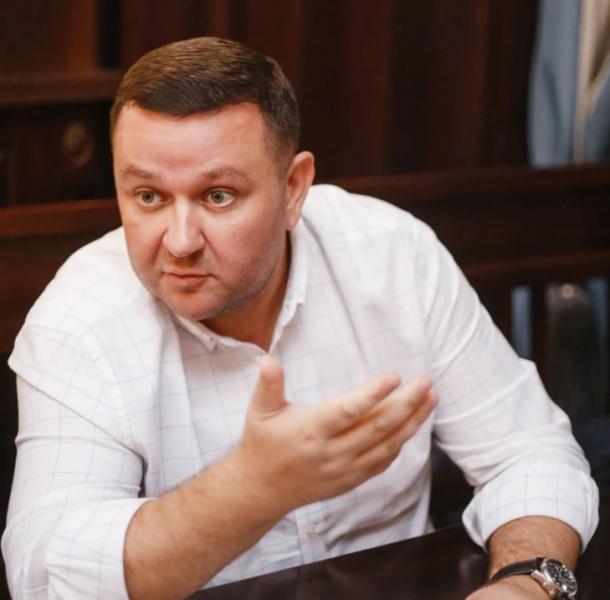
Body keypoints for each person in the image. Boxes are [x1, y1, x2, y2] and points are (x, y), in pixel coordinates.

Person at [2, 37, 598, 600]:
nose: (179, 242)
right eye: (148, 197)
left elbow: (527, 450)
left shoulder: (394, 255)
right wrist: (253, 489)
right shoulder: (78, 321)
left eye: (217, 196)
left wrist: (526, 581)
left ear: (293, 188)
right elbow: (45, 577)